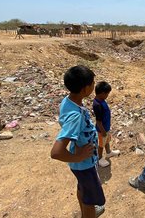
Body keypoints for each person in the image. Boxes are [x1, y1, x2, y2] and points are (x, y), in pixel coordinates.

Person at [50, 65, 105, 218]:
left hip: (81, 165)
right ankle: (89, 213)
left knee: (83, 189)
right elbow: (56, 152)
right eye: (92, 83)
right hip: (84, 165)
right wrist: (79, 157)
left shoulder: (69, 101)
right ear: (84, 89)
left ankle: (86, 213)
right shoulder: (75, 116)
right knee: (90, 200)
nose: (94, 86)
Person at [93, 81, 120, 167]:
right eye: (107, 94)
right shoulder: (97, 105)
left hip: (106, 127)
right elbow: (98, 121)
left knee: (107, 140)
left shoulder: (102, 100)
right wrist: (103, 131)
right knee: (101, 144)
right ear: (102, 93)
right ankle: (99, 158)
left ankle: (108, 152)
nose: (107, 96)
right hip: (102, 129)